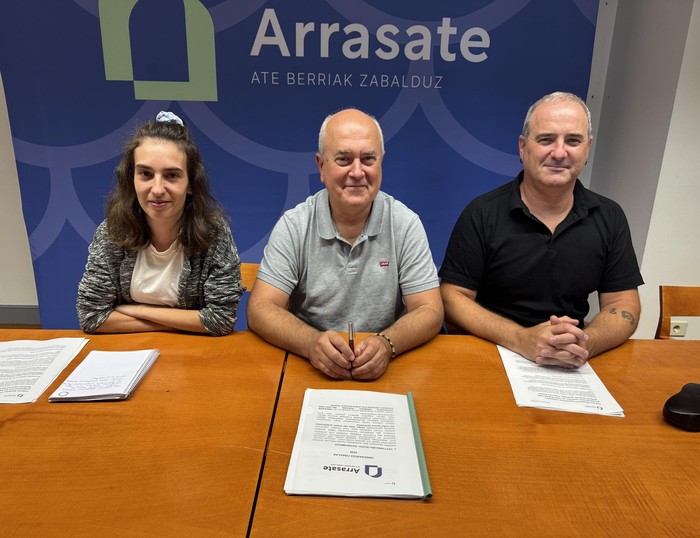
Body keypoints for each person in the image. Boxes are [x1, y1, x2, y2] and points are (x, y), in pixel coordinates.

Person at [439, 92, 643, 368]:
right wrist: (520, 339)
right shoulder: (482, 213)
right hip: (492, 354)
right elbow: (452, 298)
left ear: (587, 149)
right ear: (523, 148)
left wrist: (587, 343)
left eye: (573, 141)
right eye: (546, 139)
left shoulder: (610, 217)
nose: (559, 153)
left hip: (572, 362)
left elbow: (624, 303)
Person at [247, 108, 443, 380]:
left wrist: (387, 343)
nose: (357, 171)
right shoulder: (295, 225)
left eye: (368, 159)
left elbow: (430, 310)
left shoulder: (405, 223)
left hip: (386, 368)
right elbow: (260, 309)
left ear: (381, 162)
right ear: (321, 166)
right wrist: (310, 342)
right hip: (309, 367)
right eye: (344, 159)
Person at [77, 111, 243, 336]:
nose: (157, 189)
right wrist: (181, 320)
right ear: (131, 179)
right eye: (145, 174)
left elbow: (221, 319)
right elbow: (91, 317)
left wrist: (141, 311)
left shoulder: (214, 232)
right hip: (127, 351)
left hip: (193, 351)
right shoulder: (112, 232)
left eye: (171, 175)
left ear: (191, 184)